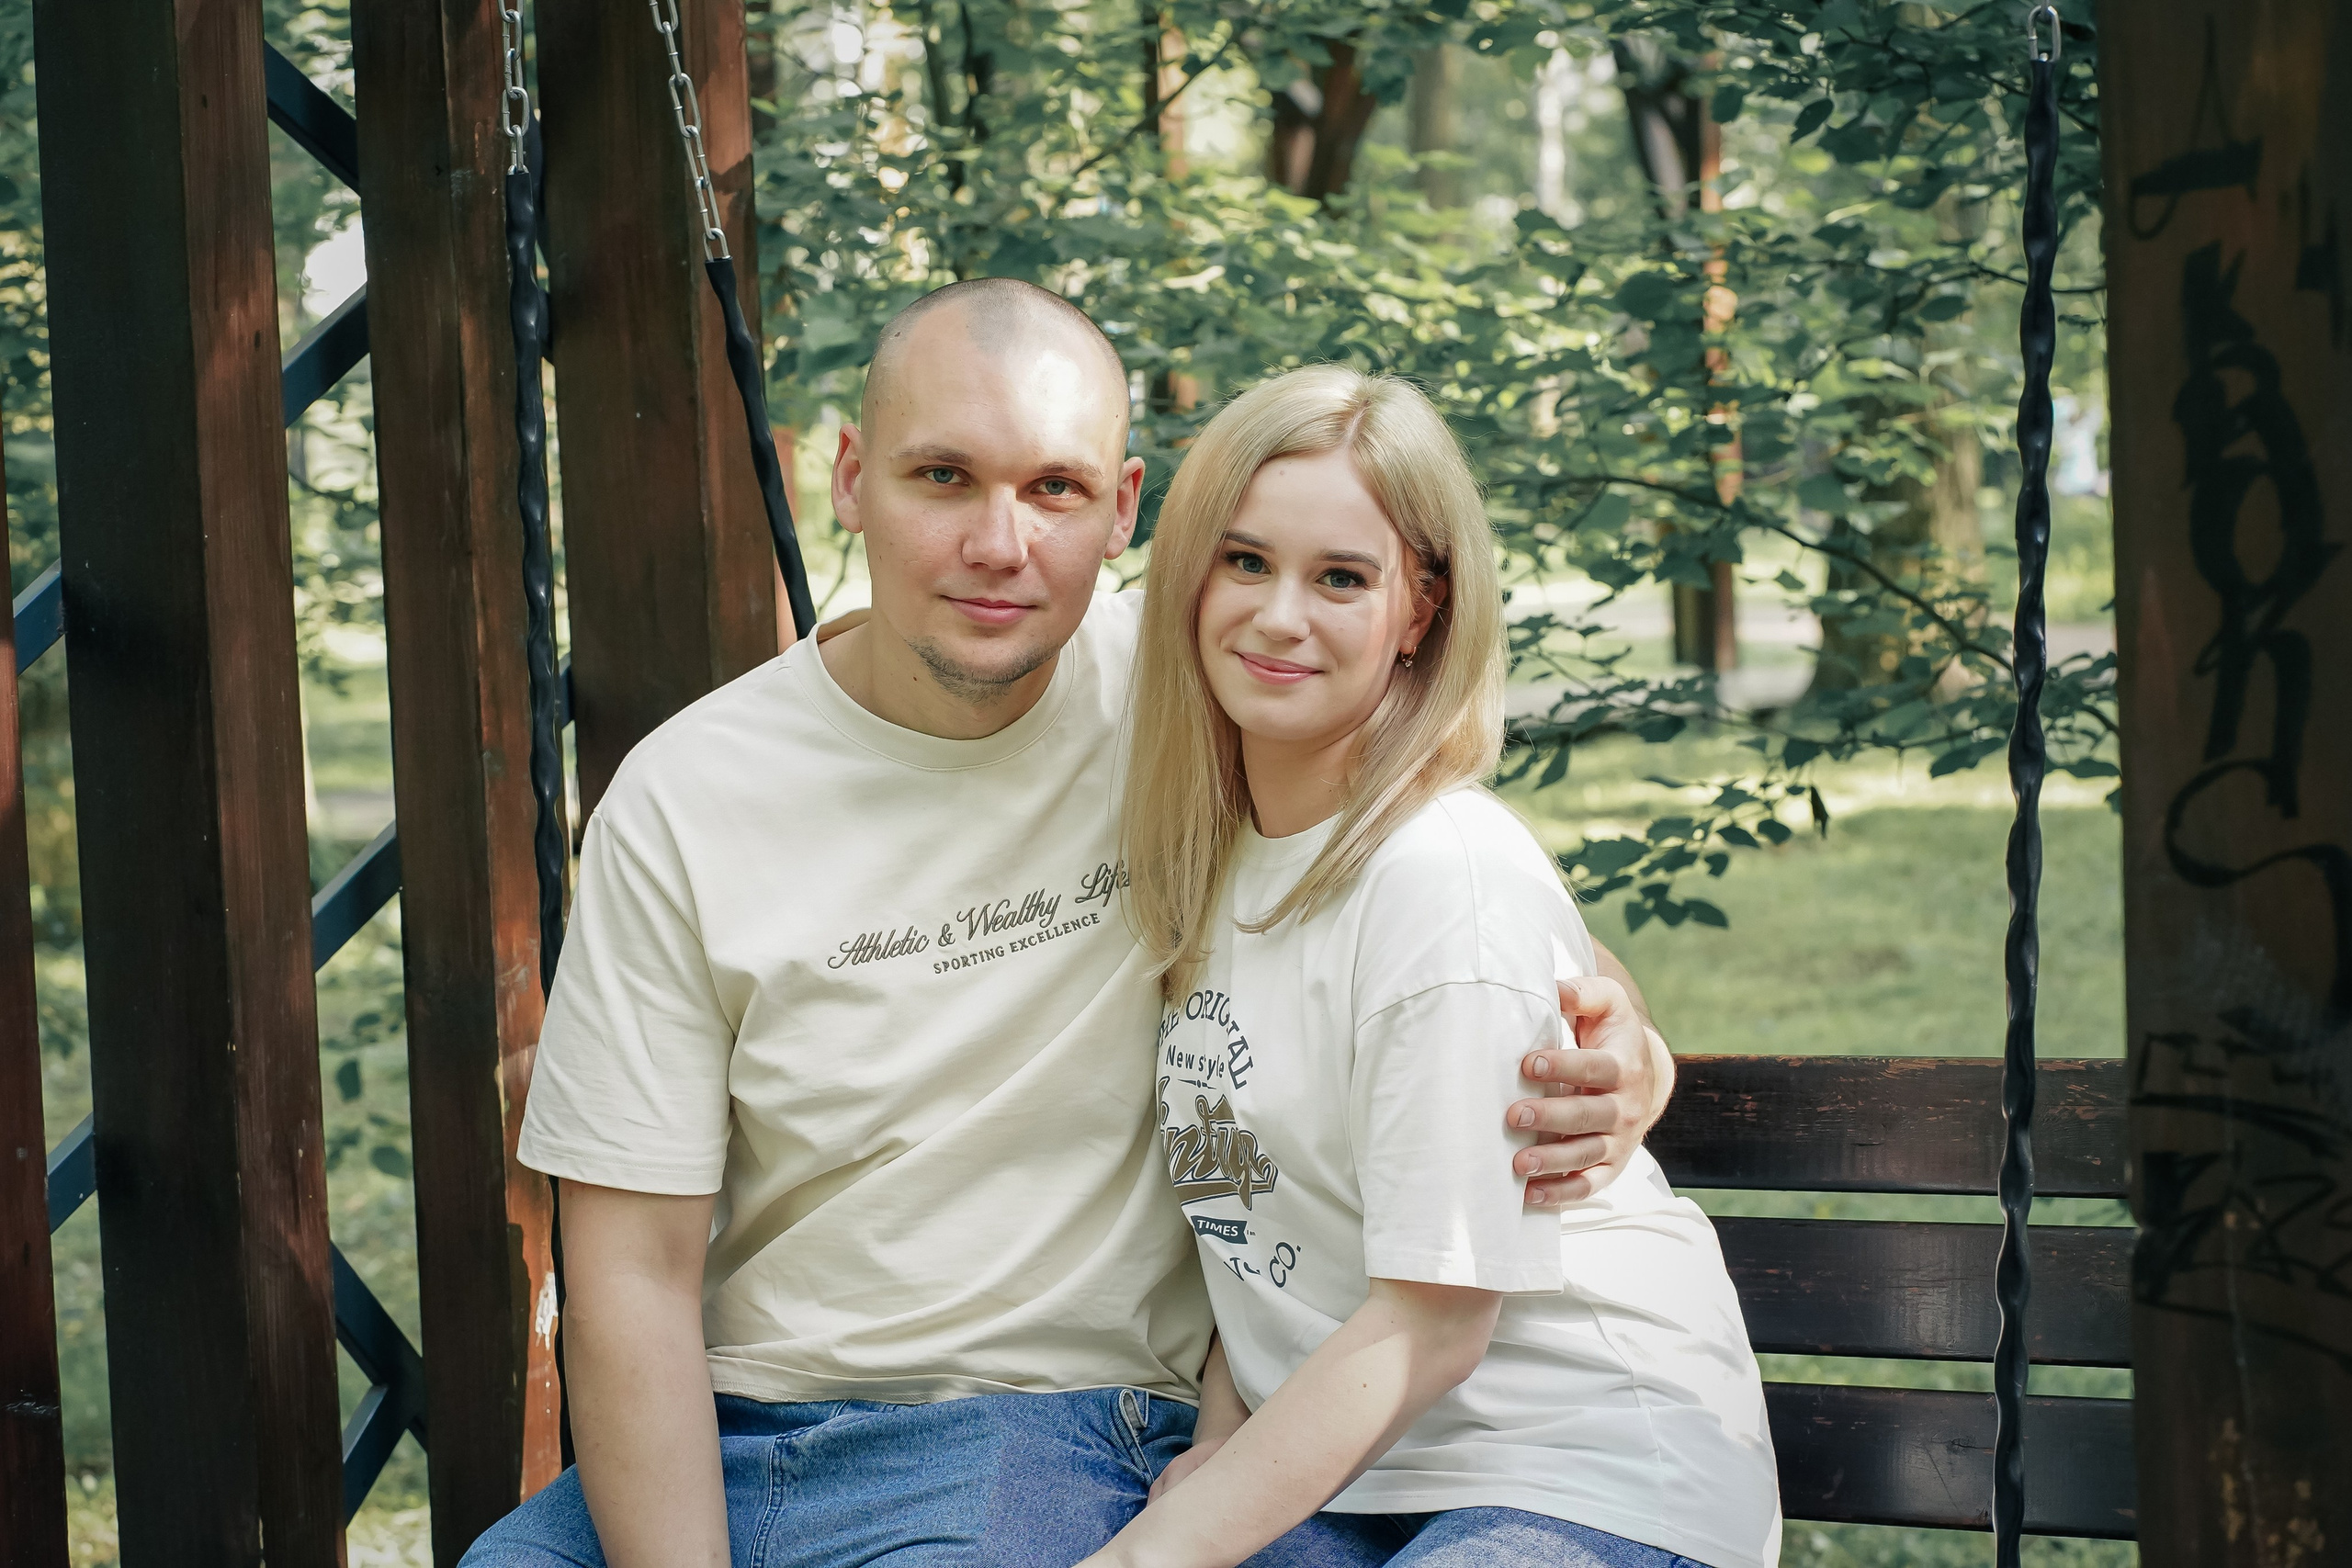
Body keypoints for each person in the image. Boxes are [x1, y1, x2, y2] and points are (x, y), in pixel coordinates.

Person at [465, 279, 1679, 1568]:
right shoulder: (685, 798)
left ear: (1123, 506)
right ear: (850, 477)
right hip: (722, 1428)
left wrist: (1622, 1031)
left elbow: (1417, 876)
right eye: (943, 477)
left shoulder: (1197, 708)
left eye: (1052, 488)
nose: (1001, 543)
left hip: (1043, 1431)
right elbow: (630, 1276)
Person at [1082, 367, 1779, 1568]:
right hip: (1351, 1470)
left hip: (1578, 1468)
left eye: (1341, 578)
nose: (1280, 616)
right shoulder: (1207, 855)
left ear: (1421, 610)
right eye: (1244, 562)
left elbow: (1433, 1328)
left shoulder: (1441, 880)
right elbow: (1260, 1229)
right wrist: (1221, 1441)